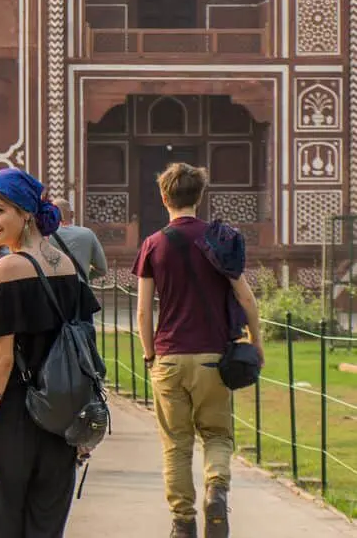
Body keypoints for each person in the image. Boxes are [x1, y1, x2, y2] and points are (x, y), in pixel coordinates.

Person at [134, 163, 264, 538]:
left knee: (176, 444)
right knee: (218, 435)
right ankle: (217, 492)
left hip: (170, 357)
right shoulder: (218, 240)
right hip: (212, 357)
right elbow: (246, 297)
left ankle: (183, 522)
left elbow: (144, 310)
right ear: (200, 196)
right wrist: (256, 342)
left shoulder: (153, 244)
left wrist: (149, 353)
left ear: (163, 197)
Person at [0, 168, 100, 537]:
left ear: (25, 212)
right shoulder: (70, 266)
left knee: (2, 526)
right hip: (62, 420)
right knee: (46, 528)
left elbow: (1, 359)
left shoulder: (7, 269)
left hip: (16, 418)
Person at [50, 198, 108, 280]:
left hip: (54, 290)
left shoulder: (46, 237)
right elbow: (102, 269)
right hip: (80, 288)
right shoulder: (88, 234)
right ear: (72, 214)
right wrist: (84, 276)